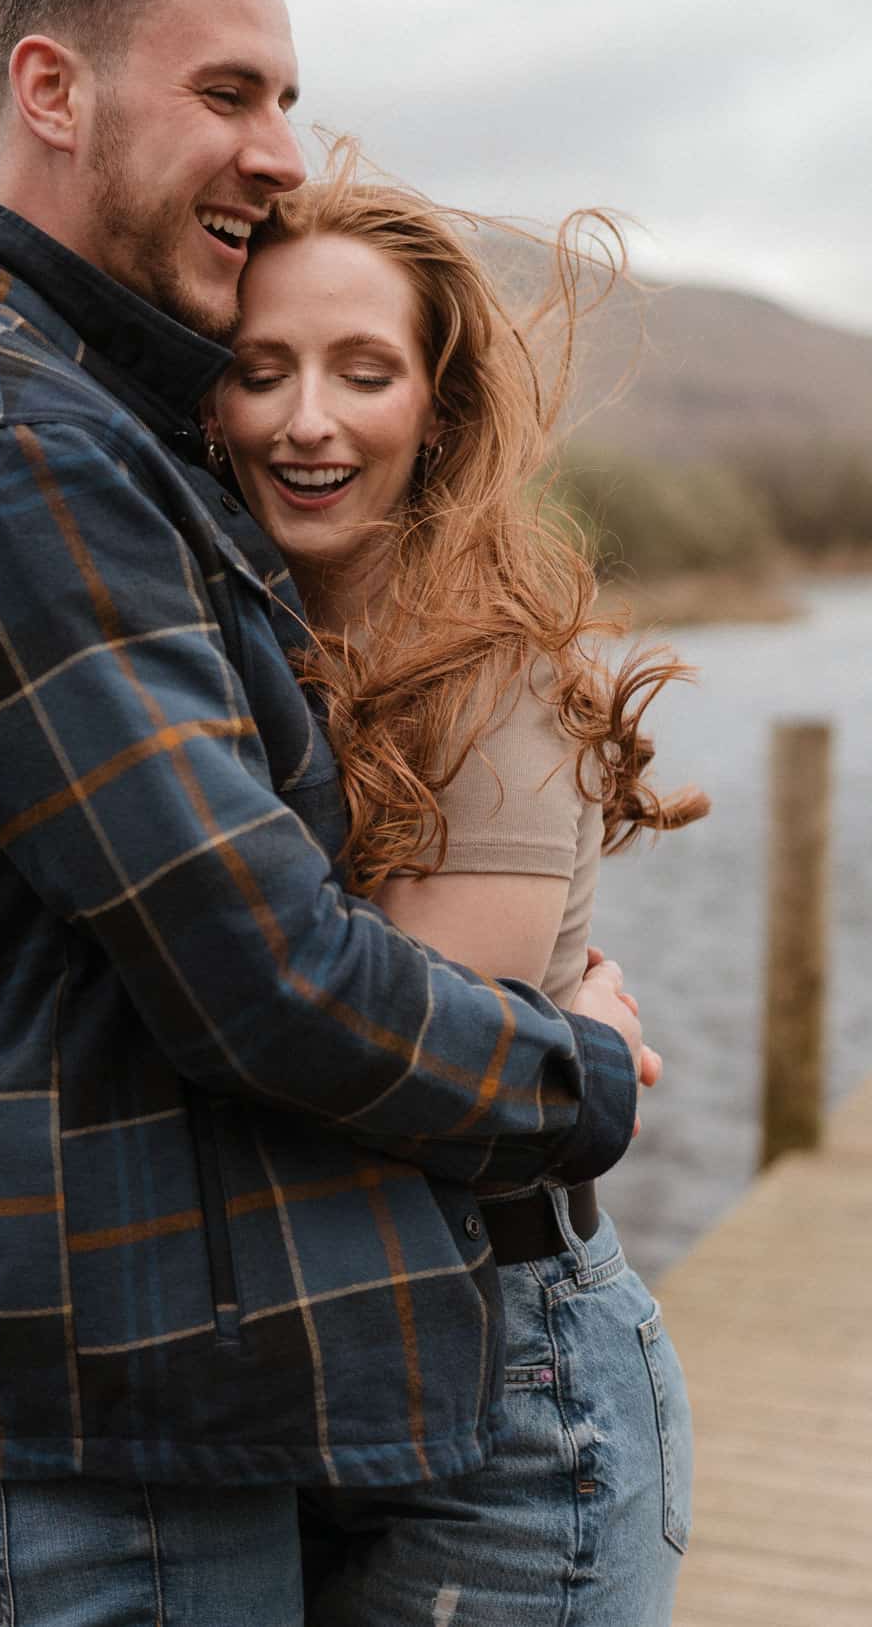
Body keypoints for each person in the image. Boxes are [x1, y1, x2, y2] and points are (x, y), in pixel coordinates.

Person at [0, 0, 661, 1623]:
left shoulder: (95, 423)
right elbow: (258, 968)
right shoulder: (19, 452)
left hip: (150, 1387)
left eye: (286, 98)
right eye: (232, 93)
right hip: (97, 1405)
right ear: (53, 89)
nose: (279, 146)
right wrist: (577, 1076)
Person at [202, 145, 709, 1623]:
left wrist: (576, 1040)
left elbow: (421, 1078)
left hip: (514, 1397)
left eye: (364, 372)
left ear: (437, 410)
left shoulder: (488, 679)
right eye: (262, 368)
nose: (307, 420)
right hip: (313, 1382)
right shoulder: (223, 652)